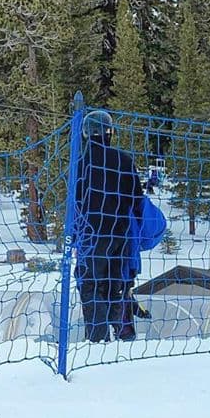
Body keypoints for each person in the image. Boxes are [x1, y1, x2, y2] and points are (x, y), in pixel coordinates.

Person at [74, 110, 146, 342]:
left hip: (92, 235)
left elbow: (73, 204)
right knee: (116, 284)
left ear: (85, 133)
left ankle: (97, 339)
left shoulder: (81, 164)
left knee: (92, 286)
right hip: (120, 234)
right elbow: (137, 200)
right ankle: (121, 334)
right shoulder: (124, 160)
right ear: (109, 132)